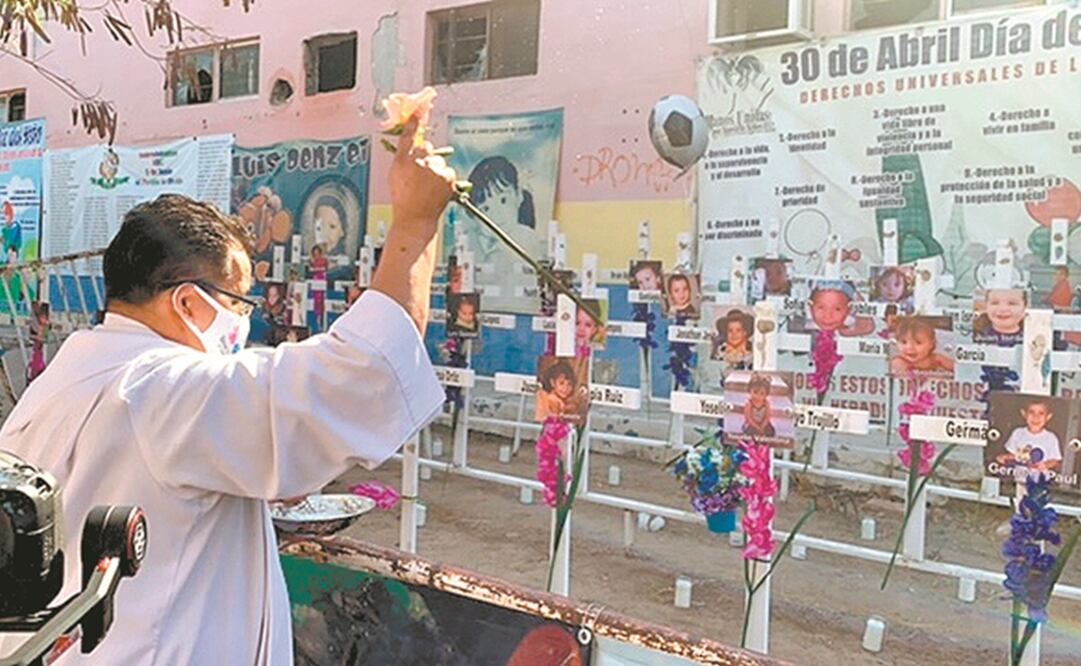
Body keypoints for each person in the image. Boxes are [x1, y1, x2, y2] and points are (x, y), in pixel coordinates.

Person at [0, 114, 455, 665]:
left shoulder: (66, 380)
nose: (244, 320)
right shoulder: (160, 388)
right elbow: (361, 376)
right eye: (239, 302)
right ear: (188, 303)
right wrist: (416, 223)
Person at [996, 400, 1062, 473]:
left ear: (1048, 417)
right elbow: (1013, 455)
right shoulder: (1017, 433)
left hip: (1040, 478)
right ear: (1024, 414)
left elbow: (1055, 461)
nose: (1036, 417)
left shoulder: (1051, 438)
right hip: (1019, 476)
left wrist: (1046, 465)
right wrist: (1005, 458)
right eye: (1031, 412)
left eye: (1041, 413)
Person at [890, 316, 955, 376]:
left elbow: (956, 367)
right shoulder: (899, 361)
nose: (909, 347)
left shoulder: (935, 359)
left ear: (931, 344)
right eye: (904, 342)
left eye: (918, 343)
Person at [741, 373, 775, 438]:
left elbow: (767, 416)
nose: (757, 396)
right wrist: (757, 427)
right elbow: (749, 418)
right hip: (752, 424)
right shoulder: (749, 403)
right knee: (749, 431)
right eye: (755, 392)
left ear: (766, 394)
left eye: (762, 393)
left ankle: (765, 439)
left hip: (763, 423)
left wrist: (762, 426)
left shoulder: (766, 403)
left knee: (770, 430)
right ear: (750, 390)